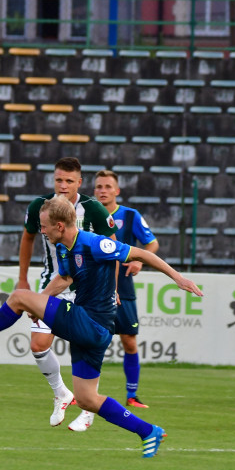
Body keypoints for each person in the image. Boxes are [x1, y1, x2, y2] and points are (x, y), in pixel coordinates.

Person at [0, 196, 203, 458]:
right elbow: (65, 278)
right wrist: (41, 302)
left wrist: (178, 278)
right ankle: (149, 431)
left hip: (92, 323)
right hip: (91, 329)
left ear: (59, 226)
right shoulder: (63, 248)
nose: (41, 231)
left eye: (44, 226)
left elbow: (141, 253)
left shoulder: (94, 243)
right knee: (87, 399)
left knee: (19, 297)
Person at [17, 157, 115, 431]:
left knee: (84, 344)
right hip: (54, 282)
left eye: (69, 181)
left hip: (87, 288)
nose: (63, 185)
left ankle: (88, 407)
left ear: (79, 183)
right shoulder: (40, 207)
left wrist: (113, 288)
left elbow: (112, 249)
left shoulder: (93, 209)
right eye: (59, 179)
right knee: (38, 344)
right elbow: (27, 238)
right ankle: (61, 393)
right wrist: (22, 278)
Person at [83, 169, 159, 424]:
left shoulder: (129, 215)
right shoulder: (85, 215)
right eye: (99, 186)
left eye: (107, 186)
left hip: (123, 288)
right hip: (93, 288)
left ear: (117, 191)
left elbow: (152, 243)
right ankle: (84, 395)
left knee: (129, 341)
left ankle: (132, 395)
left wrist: (140, 261)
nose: (102, 190)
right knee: (89, 340)